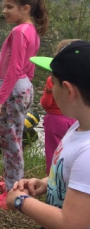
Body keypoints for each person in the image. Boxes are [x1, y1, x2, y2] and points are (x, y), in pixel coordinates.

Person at [5, 40, 90, 229]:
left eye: (52, 83)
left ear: (68, 90)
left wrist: (20, 201)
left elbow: (70, 226)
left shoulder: (87, 153)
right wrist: (46, 183)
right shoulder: (79, 127)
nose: (49, 88)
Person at [0, 0, 48, 210]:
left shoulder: (20, 32)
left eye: (9, 7)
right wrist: (27, 87)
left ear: (26, 8)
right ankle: (13, 181)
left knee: (9, 142)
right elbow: (28, 67)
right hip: (22, 89)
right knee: (16, 138)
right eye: (5, 6)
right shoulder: (32, 31)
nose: (5, 10)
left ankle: (12, 192)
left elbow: (14, 68)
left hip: (11, 92)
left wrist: (0, 99)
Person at [39, 39, 79, 175]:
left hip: (55, 121)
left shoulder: (52, 81)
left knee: (54, 152)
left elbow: (46, 103)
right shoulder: (80, 80)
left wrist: (48, 91)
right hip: (74, 119)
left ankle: (53, 179)